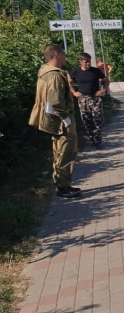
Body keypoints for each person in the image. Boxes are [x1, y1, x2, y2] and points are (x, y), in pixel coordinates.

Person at [28, 44, 81, 198]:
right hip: (61, 121)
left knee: (59, 153)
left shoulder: (45, 72)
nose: (65, 57)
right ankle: (63, 187)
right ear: (56, 54)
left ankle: (62, 185)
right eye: (63, 54)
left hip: (53, 120)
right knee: (66, 153)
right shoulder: (55, 75)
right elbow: (55, 101)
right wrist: (66, 119)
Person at [70, 52, 109, 148]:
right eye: (86, 62)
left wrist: (103, 90)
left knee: (97, 119)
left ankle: (98, 141)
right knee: (86, 121)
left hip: (95, 98)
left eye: (89, 62)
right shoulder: (76, 72)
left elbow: (106, 80)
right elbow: (69, 82)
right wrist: (74, 92)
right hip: (83, 100)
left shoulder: (95, 71)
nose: (88, 64)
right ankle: (92, 138)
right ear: (80, 62)